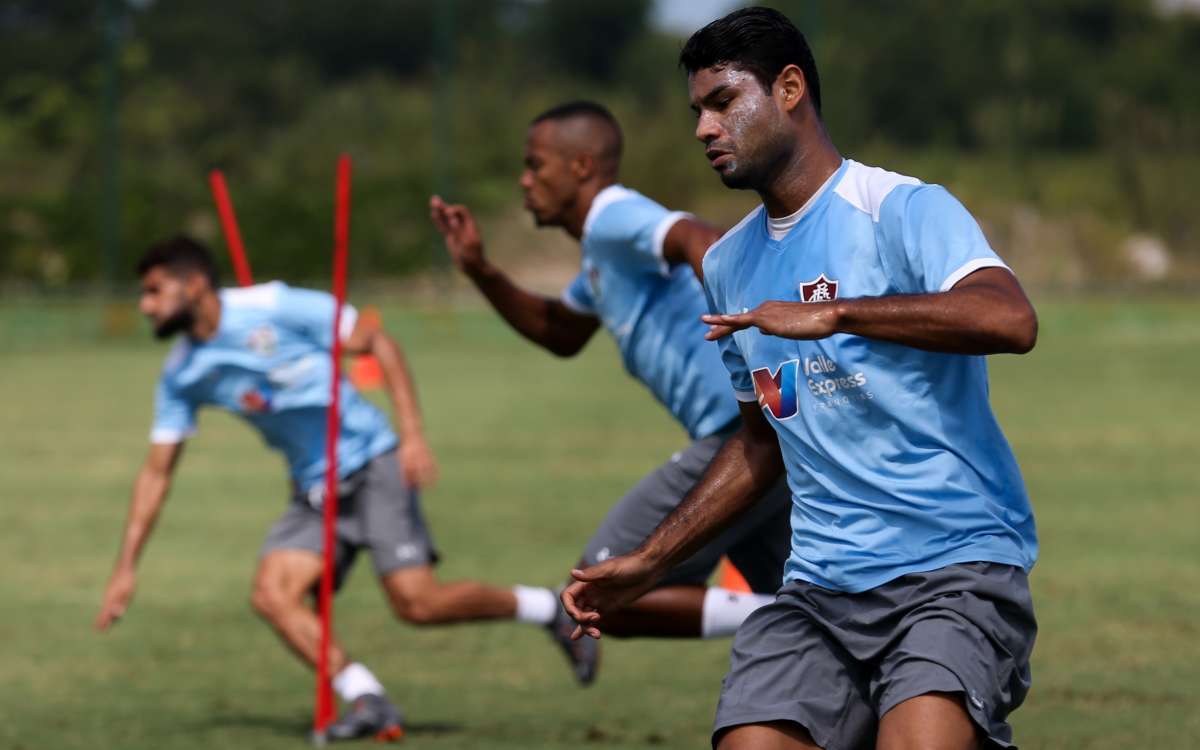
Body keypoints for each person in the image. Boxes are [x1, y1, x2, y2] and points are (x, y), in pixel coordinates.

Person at [563, 8, 1040, 750]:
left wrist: (841, 313)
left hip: (954, 569)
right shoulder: (727, 266)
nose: (703, 129)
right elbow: (759, 443)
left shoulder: (900, 208)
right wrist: (652, 562)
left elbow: (1011, 319)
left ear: (789, 89)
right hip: (819, 588)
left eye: (722, 102)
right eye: (697, 111)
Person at [95, 237, 587, 742]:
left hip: (372, 461)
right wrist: (126, 568)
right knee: (273, 594)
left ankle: (546, 607)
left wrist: (414, 436)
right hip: (312, 487)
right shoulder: (182, 373)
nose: (145, 304)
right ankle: (367, 698)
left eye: (154, 290)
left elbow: (378, 343)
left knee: (417, 604)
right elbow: (157, 472)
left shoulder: (274, 305)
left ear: (195, 284)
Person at [429, 101, 791, 660]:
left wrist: (751, 327)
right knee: (816, 602)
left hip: (740, 436)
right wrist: (480, 269)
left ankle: (792, 618)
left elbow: (700, 239)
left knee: (599, 588)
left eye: (535, 165)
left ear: (580, 167)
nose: (525, 181)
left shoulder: (611, 215)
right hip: (770, 432)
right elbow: (559, 331)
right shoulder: (601, 259)